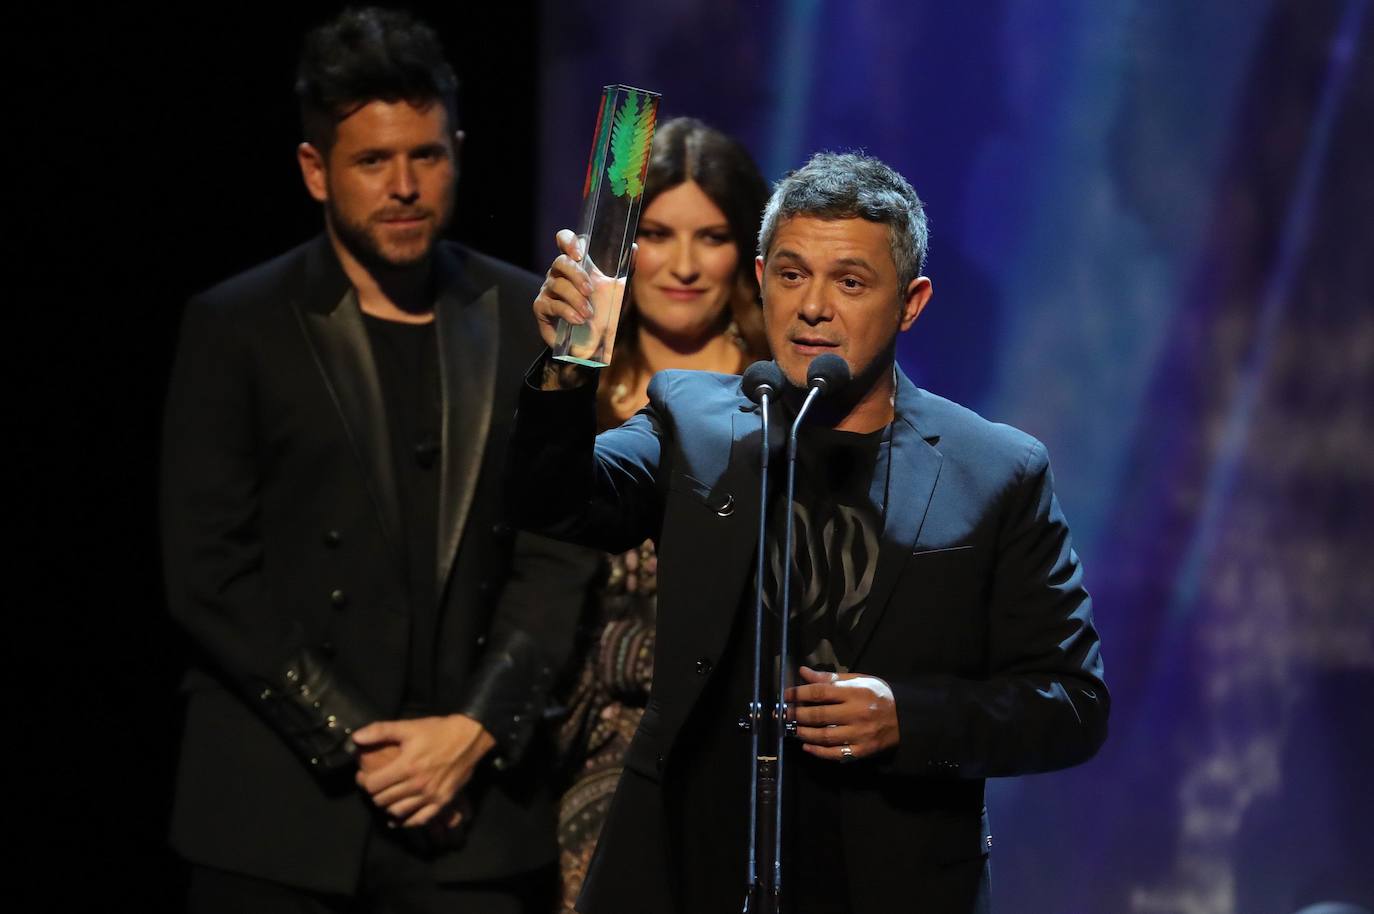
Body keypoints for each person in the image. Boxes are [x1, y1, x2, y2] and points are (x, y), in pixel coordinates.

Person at [511, 151, 1109, 913]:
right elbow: (551, 501)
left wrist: (909, 716)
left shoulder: (994, 470)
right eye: (791, 275)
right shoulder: (693, 419)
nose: (813, 307)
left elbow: (1072, 701)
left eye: (850, 282)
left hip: (885, 877)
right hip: (687, 868)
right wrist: (571, 359)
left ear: (911, 302)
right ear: (760, 279)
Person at [160, 8, 597, 911]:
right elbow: (208, 569)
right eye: (372, 161)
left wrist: (474, 731)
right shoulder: (238, 326)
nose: (404, 186)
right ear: (316, 171)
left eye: (427, 157)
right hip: (282, 813)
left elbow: (557, 549)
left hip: (471, 816)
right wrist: (364, 745)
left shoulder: (526, 316)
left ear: (459, 151)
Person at [551, 117, 769, 912]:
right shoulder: (573, 391)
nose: (682, 265)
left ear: (745, 251)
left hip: (745, 753)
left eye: (710, 237)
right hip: (584, 756)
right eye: (658, 234)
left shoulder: (781, 400)